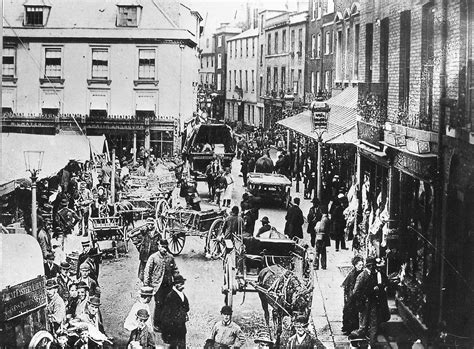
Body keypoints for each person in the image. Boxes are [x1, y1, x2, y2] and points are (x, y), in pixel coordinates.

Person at [350, 257, 390, 345]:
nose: (373, 268)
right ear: (368, 266)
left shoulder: (373, 274)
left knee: (373, 323)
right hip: (364, 303)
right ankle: (362, 343)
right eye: (371, 266)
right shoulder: (362, 276)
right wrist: (362, 298)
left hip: (373, 302)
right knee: (363, 325)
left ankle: (372, 343)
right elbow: (356, 291)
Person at [143, 239, 179, 332]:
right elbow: (147, 271)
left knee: (167, 304)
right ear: (159, 247)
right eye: (162, 247)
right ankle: (157, 324)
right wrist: (146, 285)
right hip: (157, 286)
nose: (164, 249)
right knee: (159, 304)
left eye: (165, 247)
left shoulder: (170, 257)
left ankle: (165, 323)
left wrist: (177, 281)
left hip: (168, 286)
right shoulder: (153, 257)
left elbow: (175, 270)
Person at [161, 275, 190, 348]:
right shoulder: (170, 296)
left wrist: (184, 314)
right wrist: (167, 329)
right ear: (175, 284)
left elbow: (186, 307)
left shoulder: (182, 294)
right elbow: (166, 314)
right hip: (173, 327)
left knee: (182, 345)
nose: (182, 286)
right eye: (180, 284)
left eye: (183, 284)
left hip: (181, 326)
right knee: (174, 345)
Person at [129, 217, 161, 282]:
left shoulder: (157, 234)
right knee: (143, 267)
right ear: (146, 225)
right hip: (145, 254)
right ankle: (144, 281)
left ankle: (152, 281)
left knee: (153, 268)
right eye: (148, 224)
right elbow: (135, 235)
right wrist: (138, 246)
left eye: (151, 224)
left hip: (153, 253)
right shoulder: (144, 232)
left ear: (153, 225)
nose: (150, 226)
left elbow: (161, 243)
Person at [341, 256, 365, 335]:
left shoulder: (362, 273)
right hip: (352, 296)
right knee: (350, 312)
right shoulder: (352, 274)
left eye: (362, 265)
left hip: (357, 295)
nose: (361, 267)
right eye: (359, 265)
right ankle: (349, 329)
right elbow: (349, 286)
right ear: (355, 265)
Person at [314, 205, 330, 270]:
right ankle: (323, 265)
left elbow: (322, 229)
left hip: (321, 237)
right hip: (324, 237)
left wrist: (317, 227)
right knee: (323, 251)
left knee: (317, 251)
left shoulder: (324, 220)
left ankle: (316, 265)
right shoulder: (327, 219)